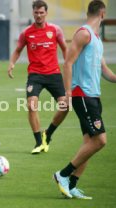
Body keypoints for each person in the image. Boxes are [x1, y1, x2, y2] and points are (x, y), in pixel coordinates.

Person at [53, 0, 116, 199]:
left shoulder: (96, 38)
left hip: (93, 96)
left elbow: (104, 70)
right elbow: (68, 63)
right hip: (82, 94)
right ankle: (62, 175)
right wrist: (68, 92)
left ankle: (71, 185)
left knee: (88, 143)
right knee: (100, 141)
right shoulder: (84, 34)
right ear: (103, 14)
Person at [7, 0, 68, 154]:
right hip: (35, 75)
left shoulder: (55, 30)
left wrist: (70, 65)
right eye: (36, 12)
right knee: (31, 105)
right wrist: (12, 63)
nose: (39, 15)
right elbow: (18, 50)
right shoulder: (26, 32)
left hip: (54, 74)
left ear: (46, 13)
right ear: (33, 13)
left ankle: (48, 134)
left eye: (41, 12)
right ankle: (38, 142)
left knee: (66, 106)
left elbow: (66, 49)